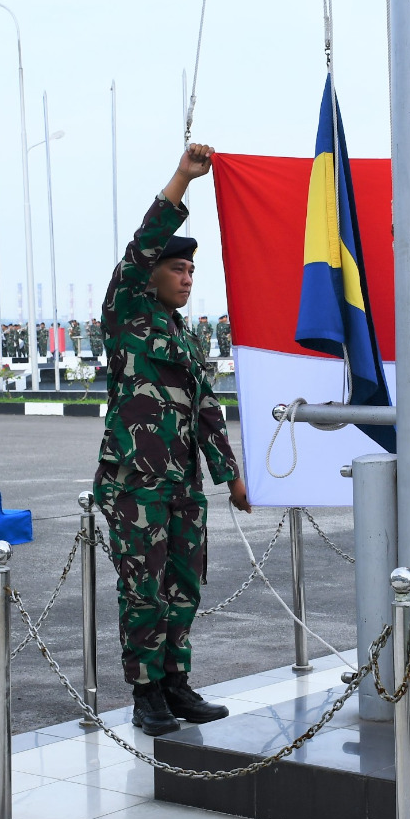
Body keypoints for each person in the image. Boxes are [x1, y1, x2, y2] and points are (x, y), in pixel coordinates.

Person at [95, 142, 253, 738]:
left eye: (191, 271)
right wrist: (184, 179)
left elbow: (207, 410)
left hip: (182, 483)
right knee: (143, 588)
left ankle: (176, 683)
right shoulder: (127, 312)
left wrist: (229, 474)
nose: (186, 278)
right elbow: (143, 242)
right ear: (152, 274)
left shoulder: (185, 338)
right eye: (177, 269)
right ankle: (145, 693)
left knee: (183, 585)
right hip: (136, 482)